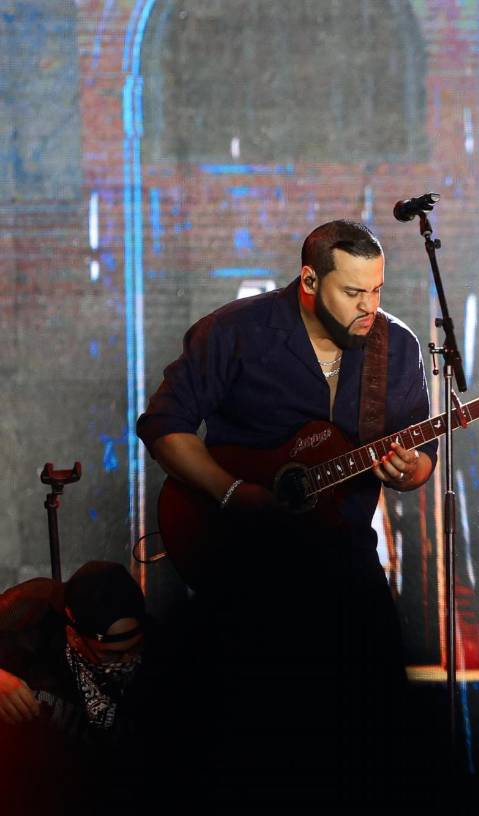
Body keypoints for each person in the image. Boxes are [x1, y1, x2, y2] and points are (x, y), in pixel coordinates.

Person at [136, 219, 437, 807]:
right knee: (251, 749)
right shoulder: (233, 333)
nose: (368, 307)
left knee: (374, 743)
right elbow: (163, 426)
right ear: (308, 279)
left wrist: (412, 471)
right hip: (243, 568)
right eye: (353, 293)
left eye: (377, 291)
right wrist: (228, 492)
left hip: (347, 565)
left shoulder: (394, 346)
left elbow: (418, 455)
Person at [0, 561, 165, 814]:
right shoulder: (28, 618)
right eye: (111, 655)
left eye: (135, 648)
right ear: (74, 637)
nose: (127, 661)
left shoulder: (163, 653)